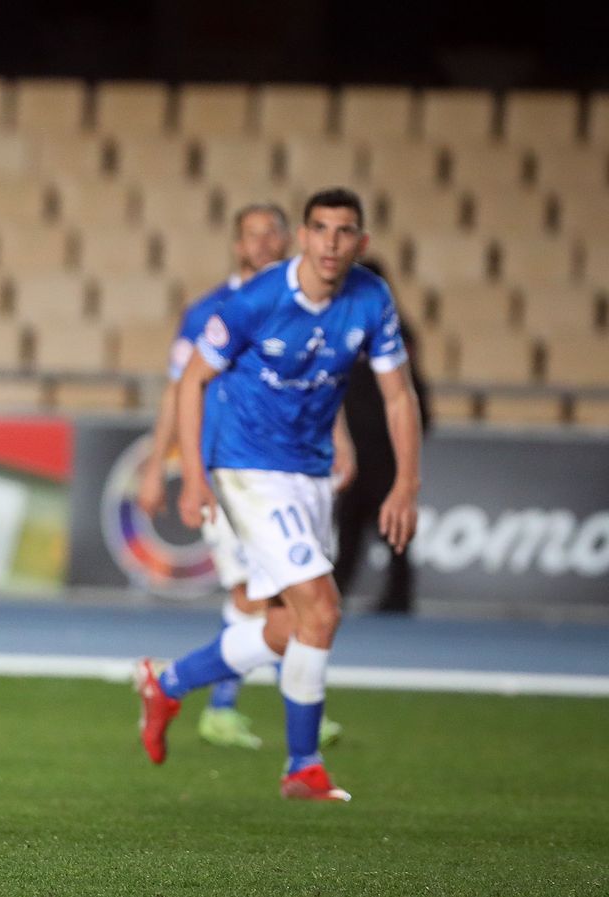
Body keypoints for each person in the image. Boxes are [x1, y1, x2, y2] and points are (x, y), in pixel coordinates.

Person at [134, 187, 422, 801]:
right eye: (321, 229)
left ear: (360, 243)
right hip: (248, 467)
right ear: (305, 238)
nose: (332, 242)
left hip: (310, 471)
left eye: (345, 231)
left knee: (291, 625)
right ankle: (303, 765)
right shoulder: (254, 301)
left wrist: (406, 480)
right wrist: (192, 473)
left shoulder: (371, 297)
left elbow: (397, 393)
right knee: (321, 610)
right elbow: (190, 381)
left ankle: (170, 684)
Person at [136, 203, 350, 751]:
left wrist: (341, 440)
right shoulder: (213, 309)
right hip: (232, 474)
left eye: (271, 233)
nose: (262, 242)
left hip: (295, 468)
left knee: (290, 607)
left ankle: (197, 687)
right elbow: (179, 388)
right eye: (251, 235)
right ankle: (230, 709)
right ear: (237, 245)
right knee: (258, 598)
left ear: (289, 239)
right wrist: (164, 466)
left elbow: (320, 382)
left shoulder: (306, 305)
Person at [333, 257, 432, 613]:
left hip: (384, 447)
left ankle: (399, 594)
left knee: (392, 524)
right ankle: (335, 592)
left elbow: (410, 389)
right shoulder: (340, 326)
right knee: (348, 526)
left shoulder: (397, 333)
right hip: (354, 445)